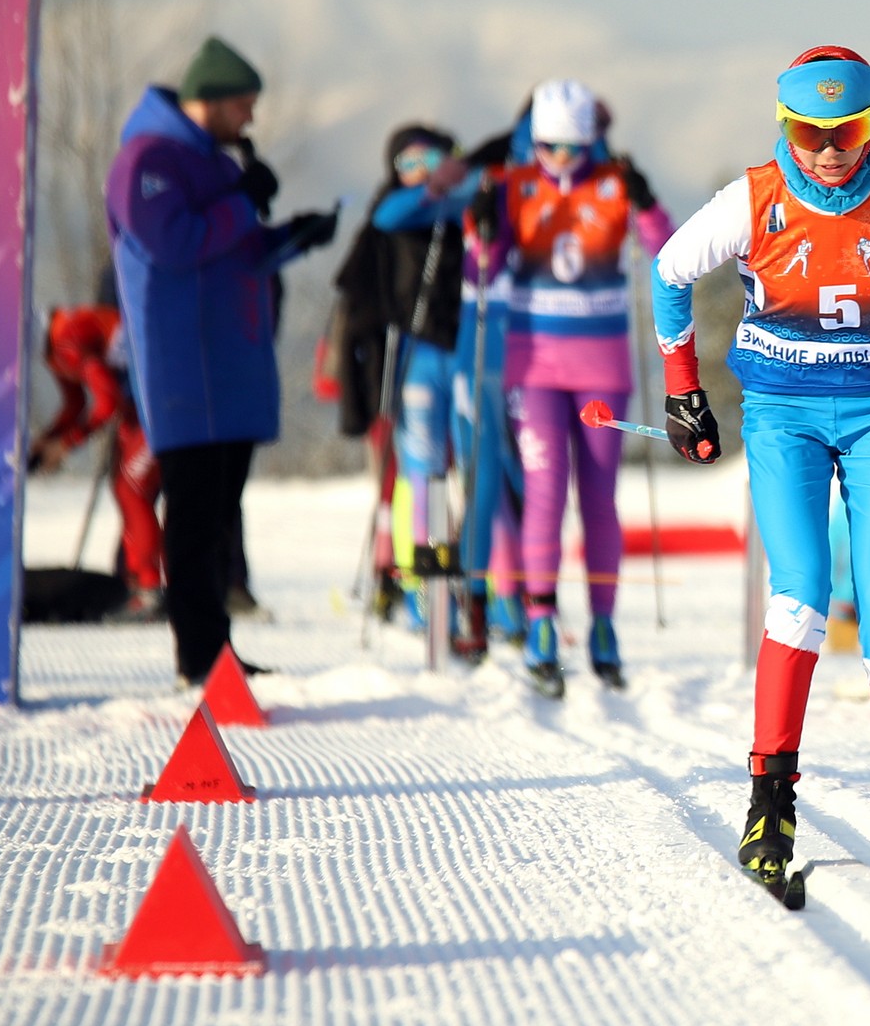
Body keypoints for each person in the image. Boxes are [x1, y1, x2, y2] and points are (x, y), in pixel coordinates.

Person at [651, 46, 870, 898]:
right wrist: (685, 389)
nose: (828, 150)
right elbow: (669, 273)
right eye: (808, 131)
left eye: (847, 131)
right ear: (785, 126)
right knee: (799, 591)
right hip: (785, 414)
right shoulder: (756, 198)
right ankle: (770, 801)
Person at [104, 36, 338, 685]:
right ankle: (200, 657)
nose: (251, 120)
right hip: (186, 366)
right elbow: (176, 244)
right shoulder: (146, 160)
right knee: (194, 514)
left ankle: (219, 654)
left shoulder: (213, 162)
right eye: (244, 105)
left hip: (230, 366)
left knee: (219, 517)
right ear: (208, 101)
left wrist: (292, 236)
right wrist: (243, 201)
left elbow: (237, 247)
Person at [430, 80, 672, 694]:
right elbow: (481, 268)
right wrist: (479, 228)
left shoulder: (614, 182)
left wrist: (646, 205)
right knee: (544, 491)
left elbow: (665, 254)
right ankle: (540, 619)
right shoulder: (511, 186)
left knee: (598, 497)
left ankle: (604, 626)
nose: (560, 159)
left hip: (601, 369)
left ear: (591, 138)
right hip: (533, 366)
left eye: (572, 147)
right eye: (548, 146)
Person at [351, 124, 478, 644]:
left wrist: (456, 185)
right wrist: (431, 189)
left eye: (430, 159)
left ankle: (479, 588)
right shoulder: (398, 205)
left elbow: (481, 194)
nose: (419, 171)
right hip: (417, 353)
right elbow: (388, 216)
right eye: (407, 163)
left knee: (472, 467)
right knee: (419, 474)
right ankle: (423, 592)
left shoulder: (465, 200)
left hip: (466, 350)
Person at [27, 290, 162, 619]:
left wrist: (66, 444)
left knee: (132, 490)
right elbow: (76, 404)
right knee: (126, 489)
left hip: (154, 407)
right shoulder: (54, 346)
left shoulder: (66, 339)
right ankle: (140, 584)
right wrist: (46, 441)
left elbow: (106, 402)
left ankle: (150, 589)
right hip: (140, 408)